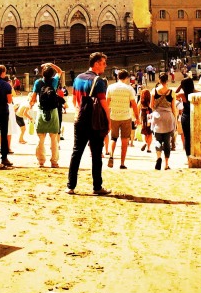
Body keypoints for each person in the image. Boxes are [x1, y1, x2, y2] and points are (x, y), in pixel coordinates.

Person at [68, 52, 111, 196]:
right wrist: (108, 120)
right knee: (96, 154)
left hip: (80, 119)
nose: (105, 65)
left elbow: (74, 101)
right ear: (97, 63)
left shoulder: (78, 78)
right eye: (104, 63)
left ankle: (71, 186)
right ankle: (97, 186)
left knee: (76, 152)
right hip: (94, 121)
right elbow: (104, 104)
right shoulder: (99, 81)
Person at [31, 64, 63, 168]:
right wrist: (51, 64)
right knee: (54, 138)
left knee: (40, 138)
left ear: (42, 73)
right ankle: (54, 161)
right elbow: (60, 71)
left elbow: (33, 98)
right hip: (53, 111)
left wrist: (30, 105)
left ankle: (41, 160)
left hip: (41, 111)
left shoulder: (38, 82)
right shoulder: (54, 81)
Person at [105, 69, 138, 169]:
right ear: (127, 78)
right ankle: (122, 163)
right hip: (126, 117)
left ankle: (111, 155)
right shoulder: (129, 89)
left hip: (114, 116)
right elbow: (134, 104)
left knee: (113, 138)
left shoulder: (110, 87)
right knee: (124, 140)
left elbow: (107, 103)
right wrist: (137, 117)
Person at [176, 76, 196, 160]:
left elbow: (174, 93)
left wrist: (180, 86)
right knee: (195, 136)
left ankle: (188, 156)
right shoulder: (196, 93)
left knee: (187, 138)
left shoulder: (182, 95)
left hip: (186, 117)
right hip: (194, 116)